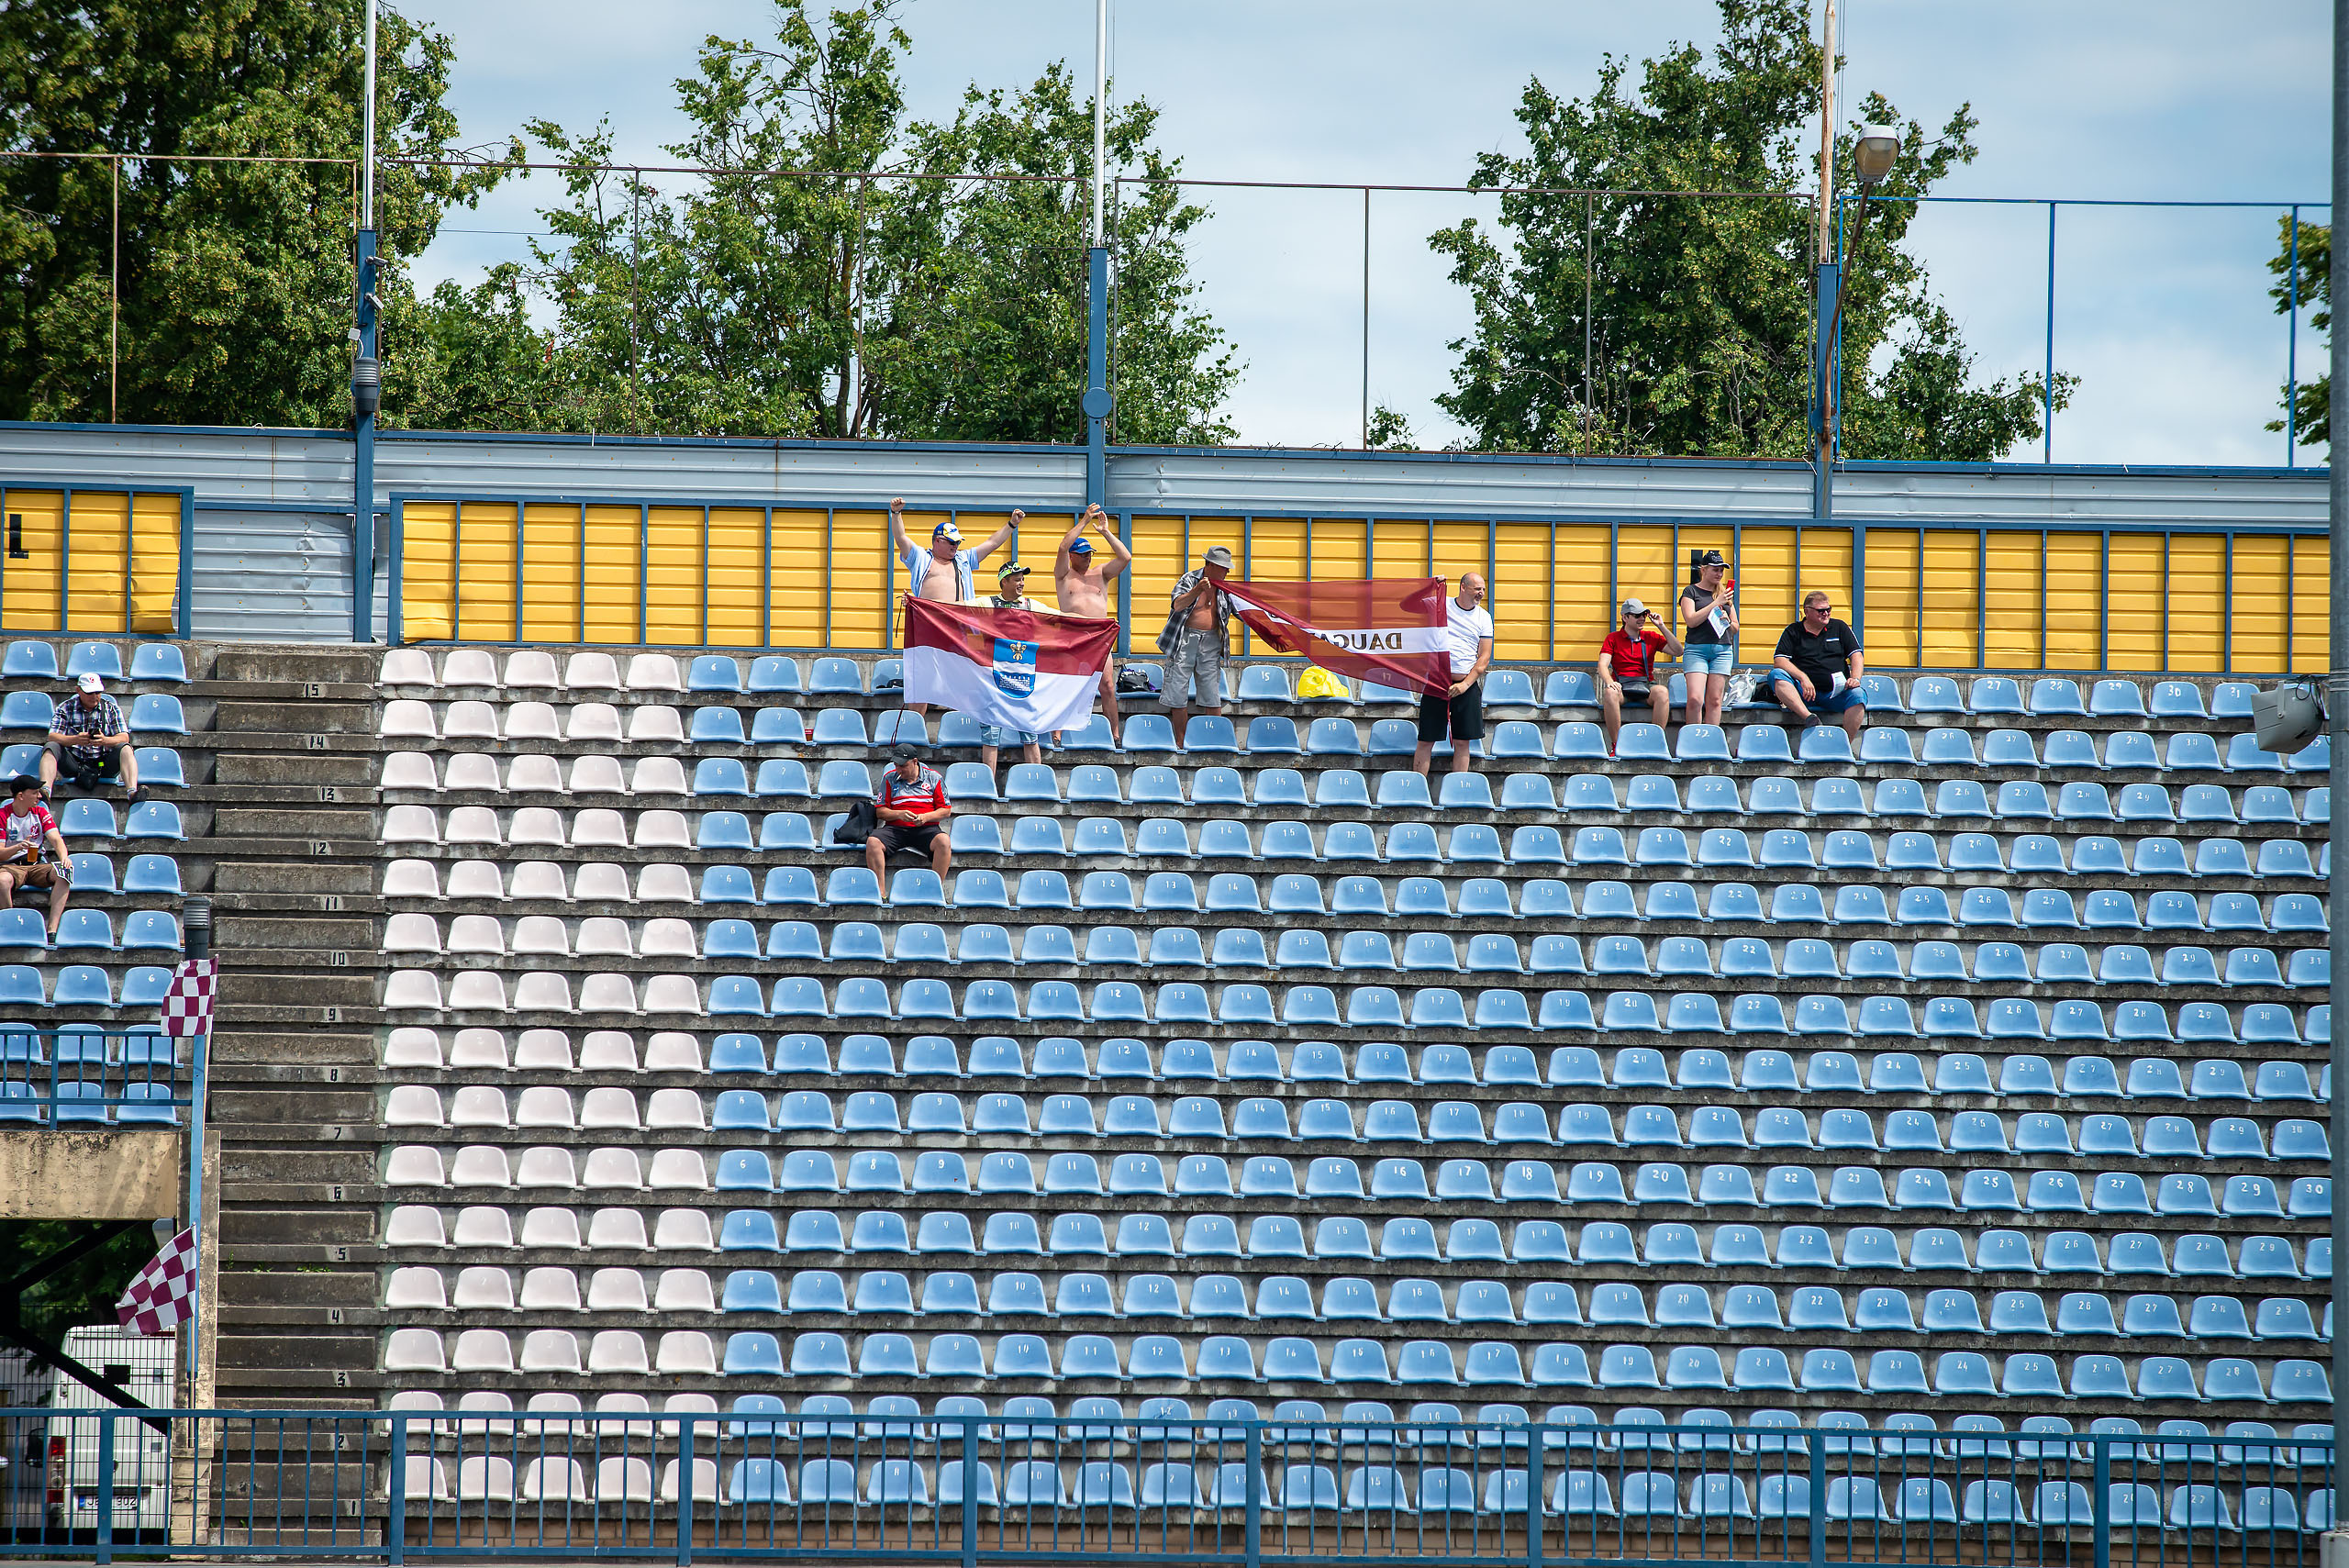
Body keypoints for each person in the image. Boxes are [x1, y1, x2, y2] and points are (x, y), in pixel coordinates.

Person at [888, 496, 1019, 716]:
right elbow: (901, 538)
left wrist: (1011, 525)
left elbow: (992, 543)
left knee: (964, 683)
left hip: (961, 629)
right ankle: (915, 734)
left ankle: (960, 729)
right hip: (929, 630)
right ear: (937, 541)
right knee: (922, 685)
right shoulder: (921, 557)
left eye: (958, 542)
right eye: (951, 542)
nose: (956, 546)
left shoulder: (964, 559)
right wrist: (896, 513)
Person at [1053, 504, 1132, 743]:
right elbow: (1063, 546)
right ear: (1073, 557)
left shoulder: (1101, 573)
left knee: (1107, 685)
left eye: (1090, 554)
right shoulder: (1064, 575)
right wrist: (1085, 521)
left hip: (1100, 637)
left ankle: (1115, 734)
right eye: (1083, 554)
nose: (1088, 558)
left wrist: (1106, 532)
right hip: (1072, 636)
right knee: (1066, 685)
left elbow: (1125, 557)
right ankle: (1056, 732)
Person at [1413, 573, 1493, 778]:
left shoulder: (1484, 617)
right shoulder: (1440, 604)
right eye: (1477, 589)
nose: (1481, 593)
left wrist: (1465, 685)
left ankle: (1456, 789)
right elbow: (1408, 603)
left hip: (1466, 685)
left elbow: (1483, 658)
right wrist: (1430, 585)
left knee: (1462, 741)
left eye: (1483, 589)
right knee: (1426, 739)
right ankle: (1417, 787)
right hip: (1437, 683)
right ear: (1463, 587)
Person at [1156, 544, 1234, 748]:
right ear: (1210, 564)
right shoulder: (1189, 579)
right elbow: (1177, 604)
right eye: (1223, 567)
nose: (1226, 571)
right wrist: (1197, 589)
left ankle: (1213, 741)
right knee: (1178, 692)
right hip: (1184, 638)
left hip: (1211, 641)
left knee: (1211, 693)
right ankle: (1181, 742)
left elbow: (1243, 612)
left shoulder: (1226, 587)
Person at [1769, 589, 1867, 740]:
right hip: (1803, 693)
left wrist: (1855, 678)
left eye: (1828, 610)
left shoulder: (1839, 627)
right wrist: (1803, 678)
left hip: (1835, 692)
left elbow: (1856, 655)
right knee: (1776, 675)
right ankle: (1809, 718)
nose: (1826, 614)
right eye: (1821, 611)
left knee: (1858, 695)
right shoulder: (1793, 631)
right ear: (1806, 612)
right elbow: (1779, 661)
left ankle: (1844, 744)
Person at [979, 561, 1045, 773]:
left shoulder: (1030, 605)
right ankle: (987, 785)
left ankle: (1037, 781)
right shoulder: (987, 604)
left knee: (1030, 731)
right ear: (1004, 581)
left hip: (1023, 677)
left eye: (1023, 579)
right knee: (991, 732)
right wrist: (918, 604)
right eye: (1017, 579)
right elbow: (951, 609)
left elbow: (1061, 617)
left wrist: (1098, 622)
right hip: (994, 676)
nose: (1022, 583)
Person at [1597, 597, 1681, 755]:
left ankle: (1655, 744)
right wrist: (1609, 681)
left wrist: (1661, 626)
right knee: (1609, 693)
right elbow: (1602, 665)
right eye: (1637, 615)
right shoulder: (1613, 638)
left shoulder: (1651, 637)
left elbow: (1678, 651)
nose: (1642, 618)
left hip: (1645, 684)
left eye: (1644, 614)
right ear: (1625, 617)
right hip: (1622, 685)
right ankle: (1617, 745)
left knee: (1662, 692)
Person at [865, 745, 952, 886]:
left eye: (903, 766)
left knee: (944, 841)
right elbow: (880, 811)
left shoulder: (934, 778)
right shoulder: (889, 778)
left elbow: (945, 810)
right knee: (873, 842)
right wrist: (898, 814)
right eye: (896, 765)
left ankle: (936, 889)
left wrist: (925, 817)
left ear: (915, 762)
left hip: (926, 829)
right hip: (895, 829)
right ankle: (880, 893)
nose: (899, 770)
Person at [42, 673, 138, 800]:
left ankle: (132, 793)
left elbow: (124, 737)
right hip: (74, 762)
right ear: (78, 690)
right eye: (90, 693)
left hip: (102, 763)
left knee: (125, 748)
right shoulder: (65, 708)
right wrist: (75, 740)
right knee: (51, 747)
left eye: (97, 692)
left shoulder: (111, 708)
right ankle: (45, 791)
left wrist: (105, 741)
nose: (94, 696)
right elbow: (53, 736)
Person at [0, 775, 70, 940]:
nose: (39, 796)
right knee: (2, 881)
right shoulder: (3, 815)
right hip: (11, 866)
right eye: (35, 793)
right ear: (20, 795)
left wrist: (64, 857)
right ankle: (9, 923)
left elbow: (56, 839)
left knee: (65, 873)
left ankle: (52, 930)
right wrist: (17, 847)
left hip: (37, 863)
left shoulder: (40, 812)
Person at [1677, 549, 1740, 728]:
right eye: (1715, 569)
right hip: (1697, 649)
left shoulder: (1725, 593)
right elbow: (1691, 620)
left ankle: (1710, 739)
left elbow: (1735, 627)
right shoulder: (1691, 592)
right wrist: (1715, 603)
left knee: (1714, 700)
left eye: (1721, 570)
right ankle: (1693, 738)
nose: (1719, 574)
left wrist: (1728, 622)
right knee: (1695, 699)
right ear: (1703, 570)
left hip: (1722, 650)